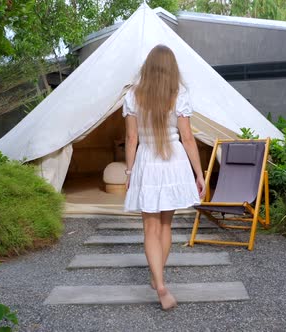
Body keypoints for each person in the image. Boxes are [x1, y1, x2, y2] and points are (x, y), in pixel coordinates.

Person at [122, 45, 205, 311]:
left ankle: (158, 282)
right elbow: (188, 137)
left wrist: (129, 171)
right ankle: (158, 280)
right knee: (166, 227)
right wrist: (199, 173)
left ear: (147, 66)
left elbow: (131, 138)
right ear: (172, 68)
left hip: (147, 161)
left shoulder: (133, 96)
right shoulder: (179, 94)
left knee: (150, 229)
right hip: (172, 161)